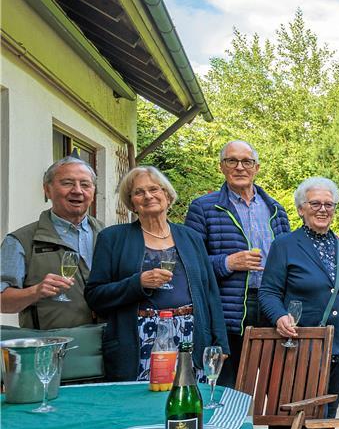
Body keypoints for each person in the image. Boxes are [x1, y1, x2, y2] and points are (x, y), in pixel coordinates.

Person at [85, 167, 227, 381]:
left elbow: (210, 294)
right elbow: (95, 296)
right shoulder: (112, 238)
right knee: (142, 405)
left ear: (167, 195)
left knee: (187, 402)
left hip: (191, 335)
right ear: (132, 202)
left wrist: (220, 343)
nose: (148, 196)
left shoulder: (191, 238)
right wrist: (137, 283)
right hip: (138, 337)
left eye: (154, 189)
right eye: (139, 192)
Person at [184, 141, 291, 386]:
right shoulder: (203, 208)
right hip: (227, 309)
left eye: (247, 162)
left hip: (270, 304)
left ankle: (263, 425)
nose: (240, 167)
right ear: (222, 167)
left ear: (257, 168)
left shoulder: (276, 209)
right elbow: (190, 264)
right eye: (232, 161)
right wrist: (228, 262)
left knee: (270, 383)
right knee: (228, 384)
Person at [260, 177, 339, 419]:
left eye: (329, 205)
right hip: (300, 346)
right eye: (315, 203)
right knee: (295, 416)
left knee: (327, 419)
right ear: (301, 209)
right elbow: (269, 292)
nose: (322, 209)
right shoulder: (285, 245)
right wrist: (279, 316)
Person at [2, 158, 104, 328]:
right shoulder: (21, 241)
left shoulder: (108, 235)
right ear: (47, 190)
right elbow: (2, 302)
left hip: (106, 344)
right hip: (50, 347)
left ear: (93, 193)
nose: (77, 191)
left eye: (85, 184)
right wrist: (35, 292)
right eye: (67, 183)